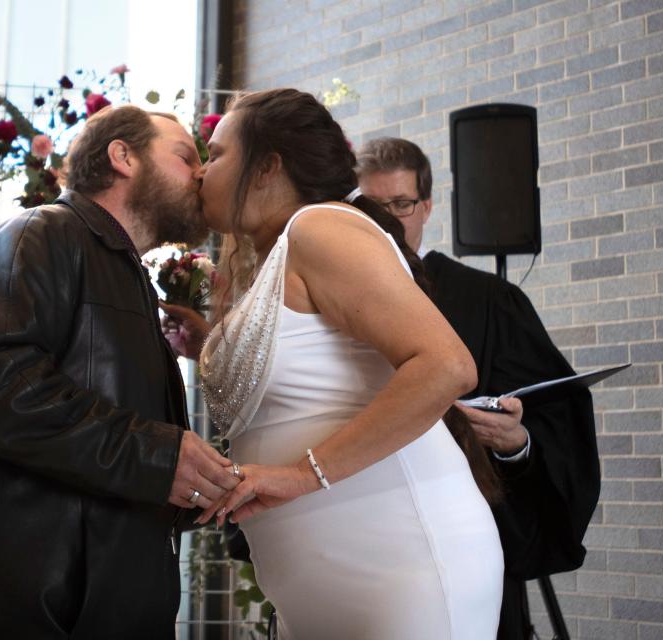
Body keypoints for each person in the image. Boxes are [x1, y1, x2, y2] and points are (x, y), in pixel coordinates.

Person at [0, 105, 240, 639]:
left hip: (96, 602)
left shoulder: (126, 274)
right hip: (30, 608)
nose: (200, 173)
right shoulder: (37, 235)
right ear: (123, 156)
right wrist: (157, 455)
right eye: (185, 156)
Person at [188, 88, 503, 638]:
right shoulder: (277, 253)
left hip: (400, 566)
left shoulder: (319, 228)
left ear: (266, 167)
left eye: (215, 155)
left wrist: (299, 476)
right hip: (323, 590)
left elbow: (446, 365)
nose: (200, 172)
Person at [357, 137, 599, 640]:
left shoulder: (489, 300)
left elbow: (554, 416)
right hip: (362, 538)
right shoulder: (334, 295)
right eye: (371, 206)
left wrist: (517, 441)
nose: (386, 219)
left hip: (465, 544)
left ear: (426, 206)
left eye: (400, 204)